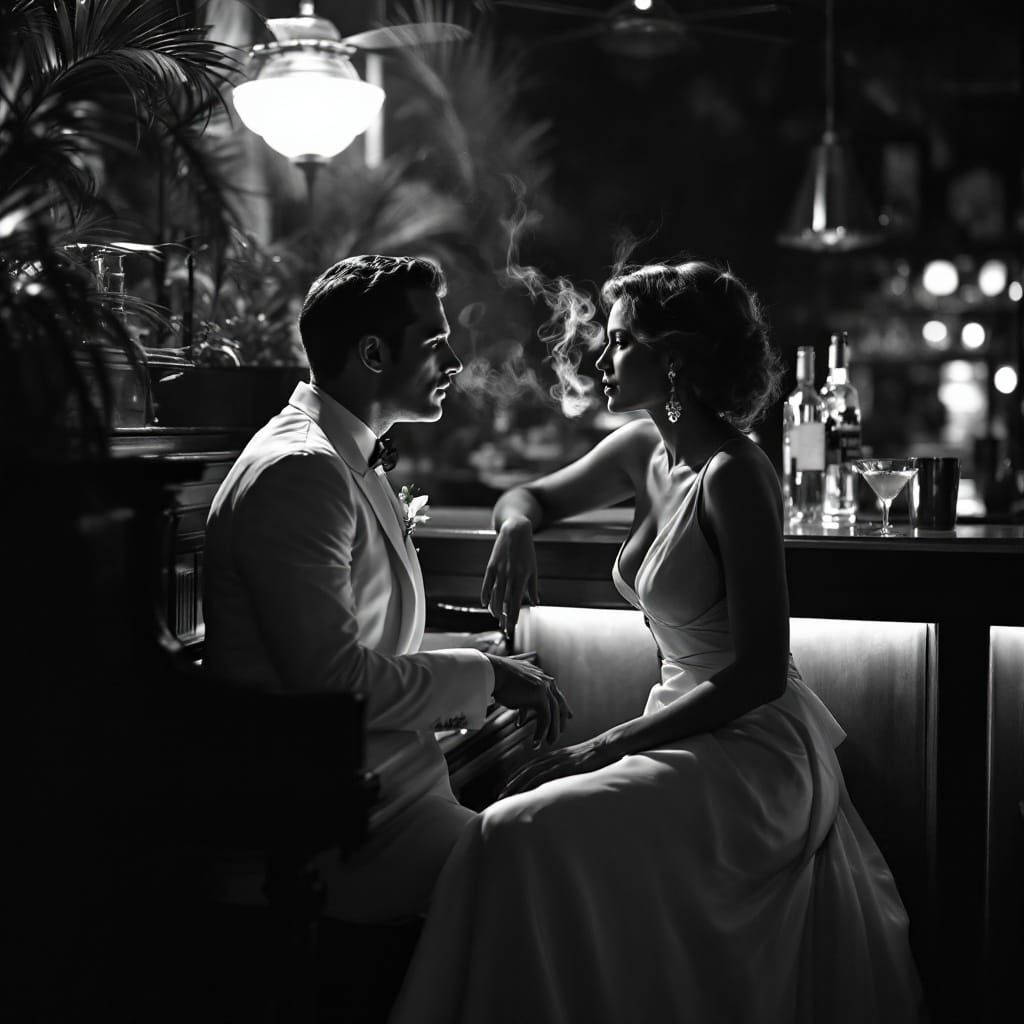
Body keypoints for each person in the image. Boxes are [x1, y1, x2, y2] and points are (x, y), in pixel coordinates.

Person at [388, 260, 925, 1023]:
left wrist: (601, 746)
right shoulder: (647, 451)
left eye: (618, 343)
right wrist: (513, 527)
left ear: (672, 357)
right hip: (681, 732)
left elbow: (761, 672)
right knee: (505, 832)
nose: (601, 361)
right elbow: (531, 495)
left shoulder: (736, 474)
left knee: (517, 827)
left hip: (754, 752)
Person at [202, 254, 569, 924]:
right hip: (333, 827)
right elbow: (333, 682)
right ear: (373, 354)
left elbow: (358, 633)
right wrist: (484, 675)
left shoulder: (343, 456)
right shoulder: (300, 472)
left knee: (558, 849)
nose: (455, 361)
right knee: (546, 877)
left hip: (385, 794)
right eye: (434, 342)